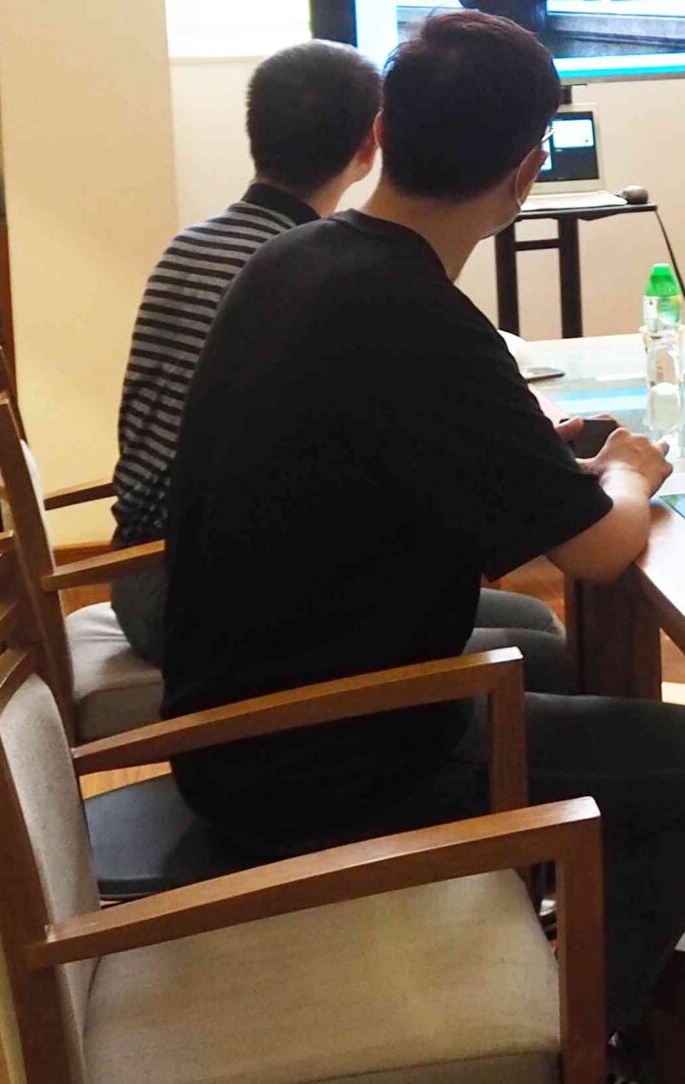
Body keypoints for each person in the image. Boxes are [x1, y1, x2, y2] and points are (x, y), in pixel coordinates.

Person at [160, 11, 685, 1084]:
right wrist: (630, 471)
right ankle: (566, 1074)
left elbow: (432, 457)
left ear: (383, 133)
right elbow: (598, 548)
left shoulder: (296, 260)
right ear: (528, 171)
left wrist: (556, 462)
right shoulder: (422, 318)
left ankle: (542, 942)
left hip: (233, 714)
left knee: (549, 653)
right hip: (322, 759)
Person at [104, 41, 570, 687]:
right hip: (210, 588)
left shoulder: (203, 246)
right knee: (534, 640)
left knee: (533, 622)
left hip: (153, 562)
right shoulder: (319, 272)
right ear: (373, 142)